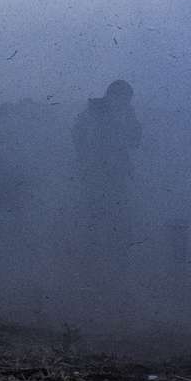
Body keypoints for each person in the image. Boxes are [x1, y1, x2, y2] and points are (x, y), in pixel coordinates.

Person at [71, 79, 142, 283]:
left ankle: (118, 273)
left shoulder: (126, 113)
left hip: (116, 178)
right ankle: (90, 273)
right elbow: (81, 141)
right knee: (94, 225)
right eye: (123, 99)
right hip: (95, 178)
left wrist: (128, 122)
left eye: (128, 100)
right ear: (111, 96)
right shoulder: (93, 113)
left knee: (119, 225)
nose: (125, 103)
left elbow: (135, 141)